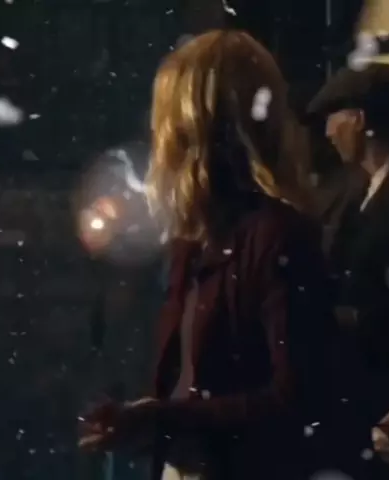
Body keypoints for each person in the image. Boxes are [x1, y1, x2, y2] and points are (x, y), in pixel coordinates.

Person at [79, 30, 334, 480]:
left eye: (165, 120)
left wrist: (161, 418)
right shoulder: (194, 242)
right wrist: (145, 420)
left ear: (191, 128)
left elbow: (296, 400)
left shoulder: (276, 237)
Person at [308, 63, 389, 478]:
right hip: (353, 406)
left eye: (333, 119)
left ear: (358, 119)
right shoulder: (346, 194)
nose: (327, 132)